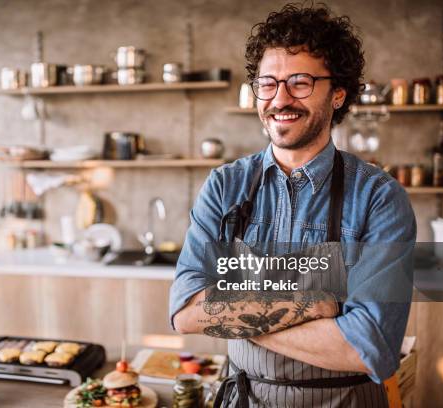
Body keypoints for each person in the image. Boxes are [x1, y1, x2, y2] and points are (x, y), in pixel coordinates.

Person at [169, 4, 416, 407]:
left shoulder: (379, 197)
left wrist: (232, 314)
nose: (280, 99)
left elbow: (369, 347)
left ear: (338, 93)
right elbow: (185, 311)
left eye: (299, 82)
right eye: (267, 83)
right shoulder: (225, 185)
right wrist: (312, 305)